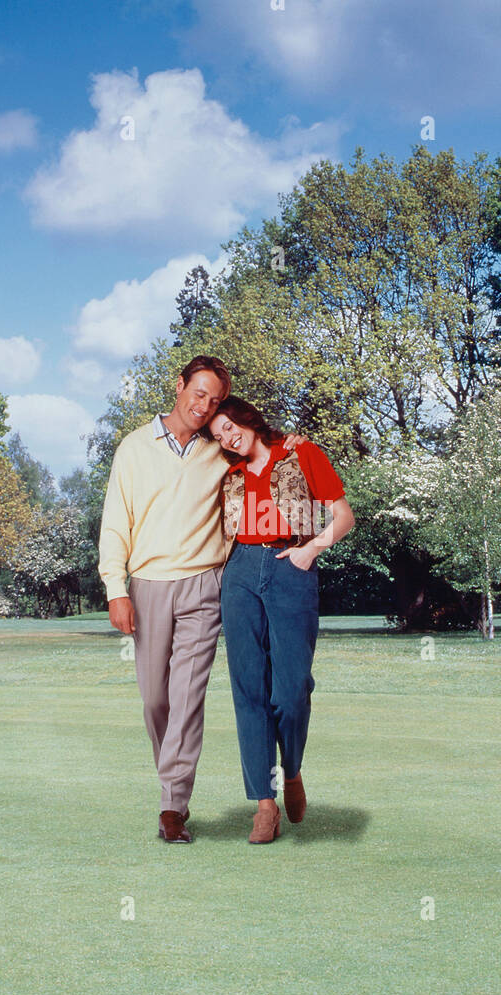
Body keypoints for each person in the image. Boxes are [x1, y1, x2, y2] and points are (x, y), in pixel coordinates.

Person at [98, 357, 300, 844]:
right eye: (199, 393)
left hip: (204, 586)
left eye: (214, 400)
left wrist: (287, 445)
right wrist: (116, 588)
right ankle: (171, 785)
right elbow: (114, 523)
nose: (204, 405)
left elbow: (259, 453)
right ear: (179, 386)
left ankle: (173, 807)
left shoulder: (218, 449)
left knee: (187, 699)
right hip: (147, 585)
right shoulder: (133, 448)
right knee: (155, 701)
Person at [206, 397, 355, 844]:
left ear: (248, 419)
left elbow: (343, 517)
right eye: (219, 435)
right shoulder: (227, 477)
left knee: (291, 691)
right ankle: (263, 805)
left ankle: (292, 770)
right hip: (239, 573)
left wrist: (311, 550)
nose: (228, 437)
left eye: (231, 426)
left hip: (292, 564)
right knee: (248, 689)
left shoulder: (301, 453)